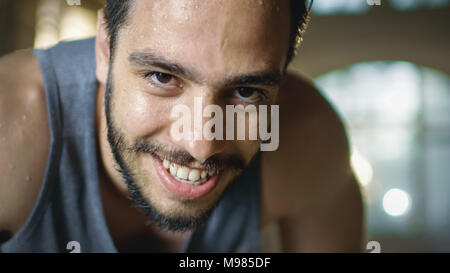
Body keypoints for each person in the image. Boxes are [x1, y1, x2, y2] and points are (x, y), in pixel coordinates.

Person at [0, 0, 363, 253]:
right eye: (162, 77)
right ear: (105, 49)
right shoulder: (10, 130)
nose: (201, 145)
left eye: (246, 91)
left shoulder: (309, 141)